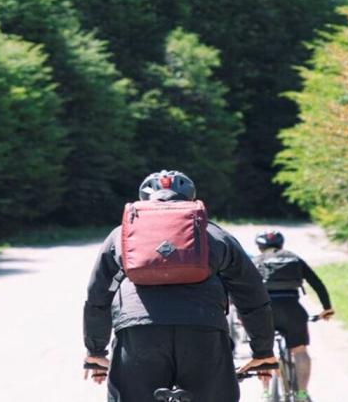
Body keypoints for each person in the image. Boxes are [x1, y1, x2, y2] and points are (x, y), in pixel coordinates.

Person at [82, 170, 278, 402]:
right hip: (203, 329)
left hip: (139, 331)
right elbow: (251, 293)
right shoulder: (214, 234)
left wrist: (96, 351)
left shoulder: (121, 235)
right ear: (190, 198)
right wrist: (262, 351)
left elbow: (98, 296)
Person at [252, 231, 334, 402]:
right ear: (281, 245)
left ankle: (266, 392)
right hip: (292, 310)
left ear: (259, 247)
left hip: (264, 311)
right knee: (300, 351)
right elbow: (317, 284)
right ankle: (302, 394)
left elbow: (242, 289)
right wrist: (327, 308)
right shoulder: (293, 258)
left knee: (263, 351)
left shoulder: (254, 262)